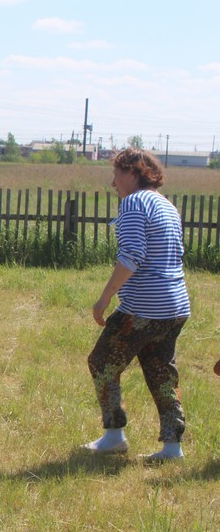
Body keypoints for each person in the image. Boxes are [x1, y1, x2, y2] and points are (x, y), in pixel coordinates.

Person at [84, 148, 191, 463]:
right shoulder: (166, 205)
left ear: (133, 172)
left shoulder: (134, 203)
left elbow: (131, 255)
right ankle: (172, 448)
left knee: (102, 362)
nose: (113, 182)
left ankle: (114, 435)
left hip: (144, 308)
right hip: (175, 306)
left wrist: (104, 299)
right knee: (161, 373)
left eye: (116, 174)